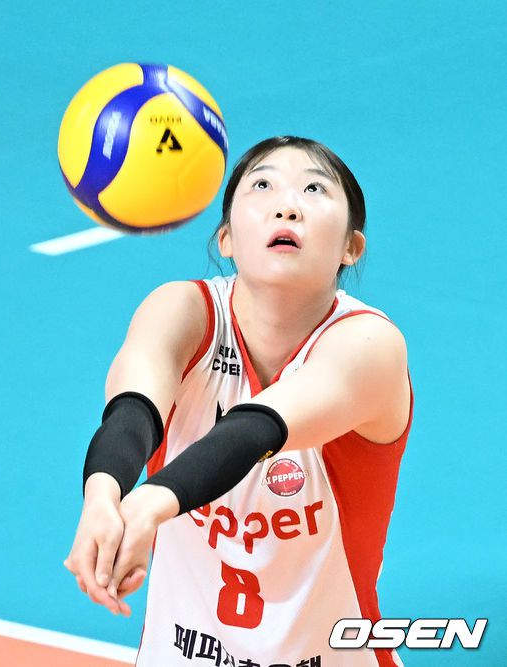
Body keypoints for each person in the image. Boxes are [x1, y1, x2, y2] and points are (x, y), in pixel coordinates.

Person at [65, 136, 413, 667]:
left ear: (351, 248)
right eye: (263, 185)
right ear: (225, 238)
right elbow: (133, 409)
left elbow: (255, 429)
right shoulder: (182, 311)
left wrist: (146, 504)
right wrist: (101, 496)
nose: (287, 205)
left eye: (314, 189)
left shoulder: (370, 345)